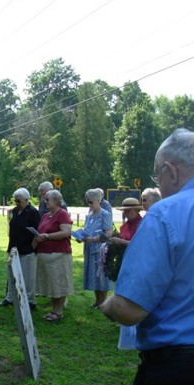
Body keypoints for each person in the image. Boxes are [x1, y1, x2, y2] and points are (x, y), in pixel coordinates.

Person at [100, 128, 194, 385]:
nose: (158, 186)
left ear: (170, 171)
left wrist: (108, 304)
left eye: (157, 176)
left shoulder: (166, 213)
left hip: (177, 365)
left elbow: (130, 309)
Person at [33, 189, 73, 321]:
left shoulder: (62, 214)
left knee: (59, 284)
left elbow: (66, 232)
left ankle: (59, 312)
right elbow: (40, 231)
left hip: (59, 255)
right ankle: (54, 310)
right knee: (52, 284)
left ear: (56, 200)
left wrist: (47, 236)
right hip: (45, 255)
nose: (45, 201)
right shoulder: (45, 215)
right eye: (45, 199)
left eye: (47, 199)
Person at [0, 188, 40, 309]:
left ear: (27, 200)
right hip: (13, 247)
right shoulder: (15, 211)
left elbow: (37, 232)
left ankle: (30, 301)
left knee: (28, 277)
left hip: (27, 249)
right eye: (15, 201)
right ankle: (10, 298)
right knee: (11, 274)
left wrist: (32, 247)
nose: (17, 203)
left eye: (19, 201)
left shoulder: (33, 212)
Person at [79, 188, 113, 308]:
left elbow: (109, 233)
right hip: (89, 249)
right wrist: (81, 237)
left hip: (100, 249)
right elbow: (86, 230)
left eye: (91, 202)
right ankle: (97, 301)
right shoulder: (89, 216)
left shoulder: (105, 214)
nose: (89, 205)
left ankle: (103, 302)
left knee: (101, 277)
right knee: (93, 276)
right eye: (87, 202)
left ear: (98, 201)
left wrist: (94, 239)